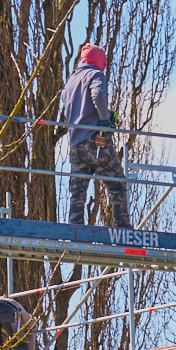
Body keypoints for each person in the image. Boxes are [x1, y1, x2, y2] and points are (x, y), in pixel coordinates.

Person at [60, 43, 130, 228]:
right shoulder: (96, 74)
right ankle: (122, 226)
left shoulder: (70, 82)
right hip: (94, 140)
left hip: (75, 142)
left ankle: (75, 227)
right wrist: (105, 118)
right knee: (117, 184)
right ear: (101, 61)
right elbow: (98, 95)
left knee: (78, 190)